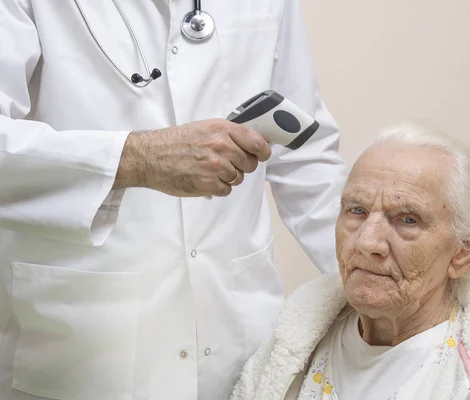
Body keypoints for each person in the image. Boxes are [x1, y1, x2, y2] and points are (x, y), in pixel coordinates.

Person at [0, 1, 346, 399]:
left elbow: (304, 149)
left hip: (237, 334)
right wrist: (135, 158)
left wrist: (380, 272)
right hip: (83, 345)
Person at [230, 122, 470, 400]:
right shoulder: (294, 342)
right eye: (356, 210)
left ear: (464, 250)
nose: (368, 242)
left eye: (408, 219)